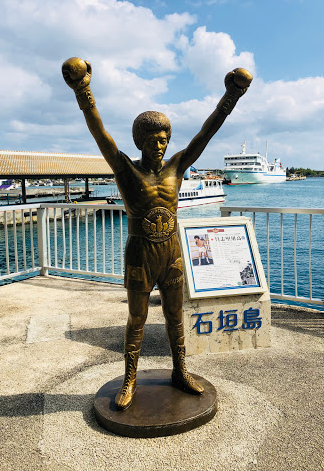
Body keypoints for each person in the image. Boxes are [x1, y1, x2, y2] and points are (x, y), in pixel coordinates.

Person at [62, 58, 252, 410]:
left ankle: (181, 370)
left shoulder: (177, 167)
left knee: (175, 316)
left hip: (172, 252)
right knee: (137, 318)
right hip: (140, 253)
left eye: (164, 140)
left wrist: (232, 95)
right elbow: (99, 133)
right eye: (153, 141)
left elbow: (205, 133)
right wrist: (83, 90)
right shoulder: (125, 170)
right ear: (140, 142)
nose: (161, 145)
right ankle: (130, 379)